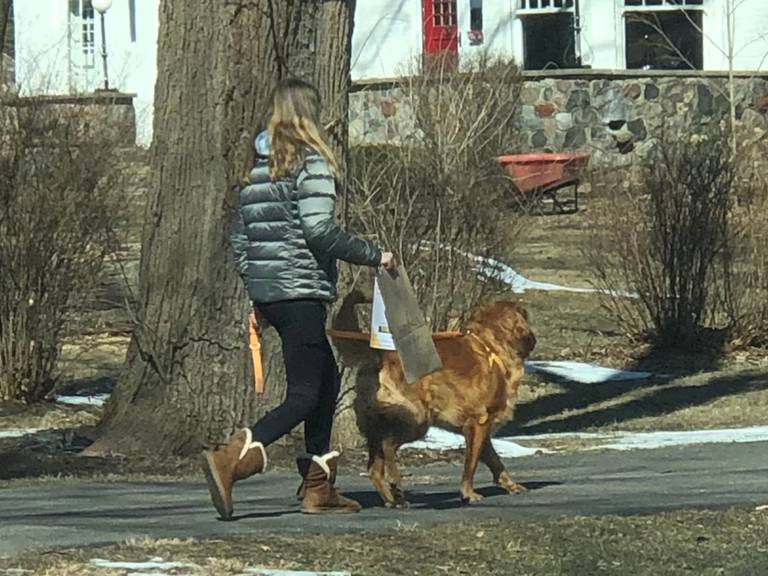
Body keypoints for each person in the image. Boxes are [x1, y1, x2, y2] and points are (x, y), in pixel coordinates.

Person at [200, 78, 394, 520]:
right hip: (301, 291)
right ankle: (233, 457)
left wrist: (258, 290)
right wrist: (373, 255)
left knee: (324, 380)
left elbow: (240, 241)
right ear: (311, 115)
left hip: (272, 295)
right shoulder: (312, 165)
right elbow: (319, 230)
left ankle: (318, 488)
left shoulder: (257, 171)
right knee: (306, 393)